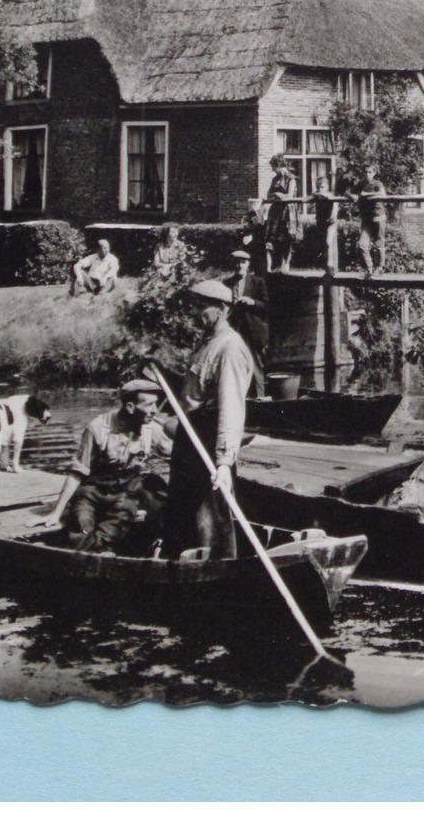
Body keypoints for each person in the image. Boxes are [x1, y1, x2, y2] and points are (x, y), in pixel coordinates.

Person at [160, 279, 254, 560]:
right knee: (182, 506)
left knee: (211, 511)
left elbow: (231, 408)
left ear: (222, 309)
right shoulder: (206, 343)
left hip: (209, 439)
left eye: (202, 306)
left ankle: (218, 566)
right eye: (195, 305)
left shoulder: (230, 348)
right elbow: (194, 391)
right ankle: (178, 563)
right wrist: (160, 371)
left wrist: (224, 462)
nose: (195, 313)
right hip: (190, 436)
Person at [31, 378, 171, 553]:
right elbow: (77, 472)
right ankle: (93, 554)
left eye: (155, 404)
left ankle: (97, 553)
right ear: (130, 407)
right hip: (93, 491)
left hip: (125, 494)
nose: (155, 411)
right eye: (149, 405)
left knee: (113, 529)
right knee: (81, 526)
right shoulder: (98, 427)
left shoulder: (153, 429)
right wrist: (56, 513)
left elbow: (174, 454)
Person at [225, 248, 269, 392]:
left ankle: (260, 397)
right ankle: (240, 397)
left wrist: (253, 302)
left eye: (243, 262)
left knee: (255, 364)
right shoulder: (227, 283)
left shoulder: (257, 282)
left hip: (252, 330)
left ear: (248, 264)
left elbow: (267, 306)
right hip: (233, 329)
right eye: (237, 263)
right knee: (234, 363)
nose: (239, 266)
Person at [263, 155, 301, 271]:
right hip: (276, 211)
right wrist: (276, 195)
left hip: (287, 210)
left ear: (279, 165)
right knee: (273, 237)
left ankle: (286, 264)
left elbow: (289, 196)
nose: (272, 169)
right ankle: (275, 264)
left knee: (287, 238)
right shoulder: (275, 179)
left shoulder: (291, 179)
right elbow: (268, 194)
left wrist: (281, 196)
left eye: (273, 167)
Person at [354, 164, 388, 275]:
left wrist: (366, 194)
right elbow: (347, 192)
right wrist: (352, 196)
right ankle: (369, 269)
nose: (367, 174)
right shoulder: (361, 184)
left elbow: (383, 194)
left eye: (369, 172)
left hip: (378, 217)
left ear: (374, 173)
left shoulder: (378, 183)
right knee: (363, 244)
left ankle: (380, 269)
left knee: (379, 244)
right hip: (366, 219)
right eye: (365, 172)